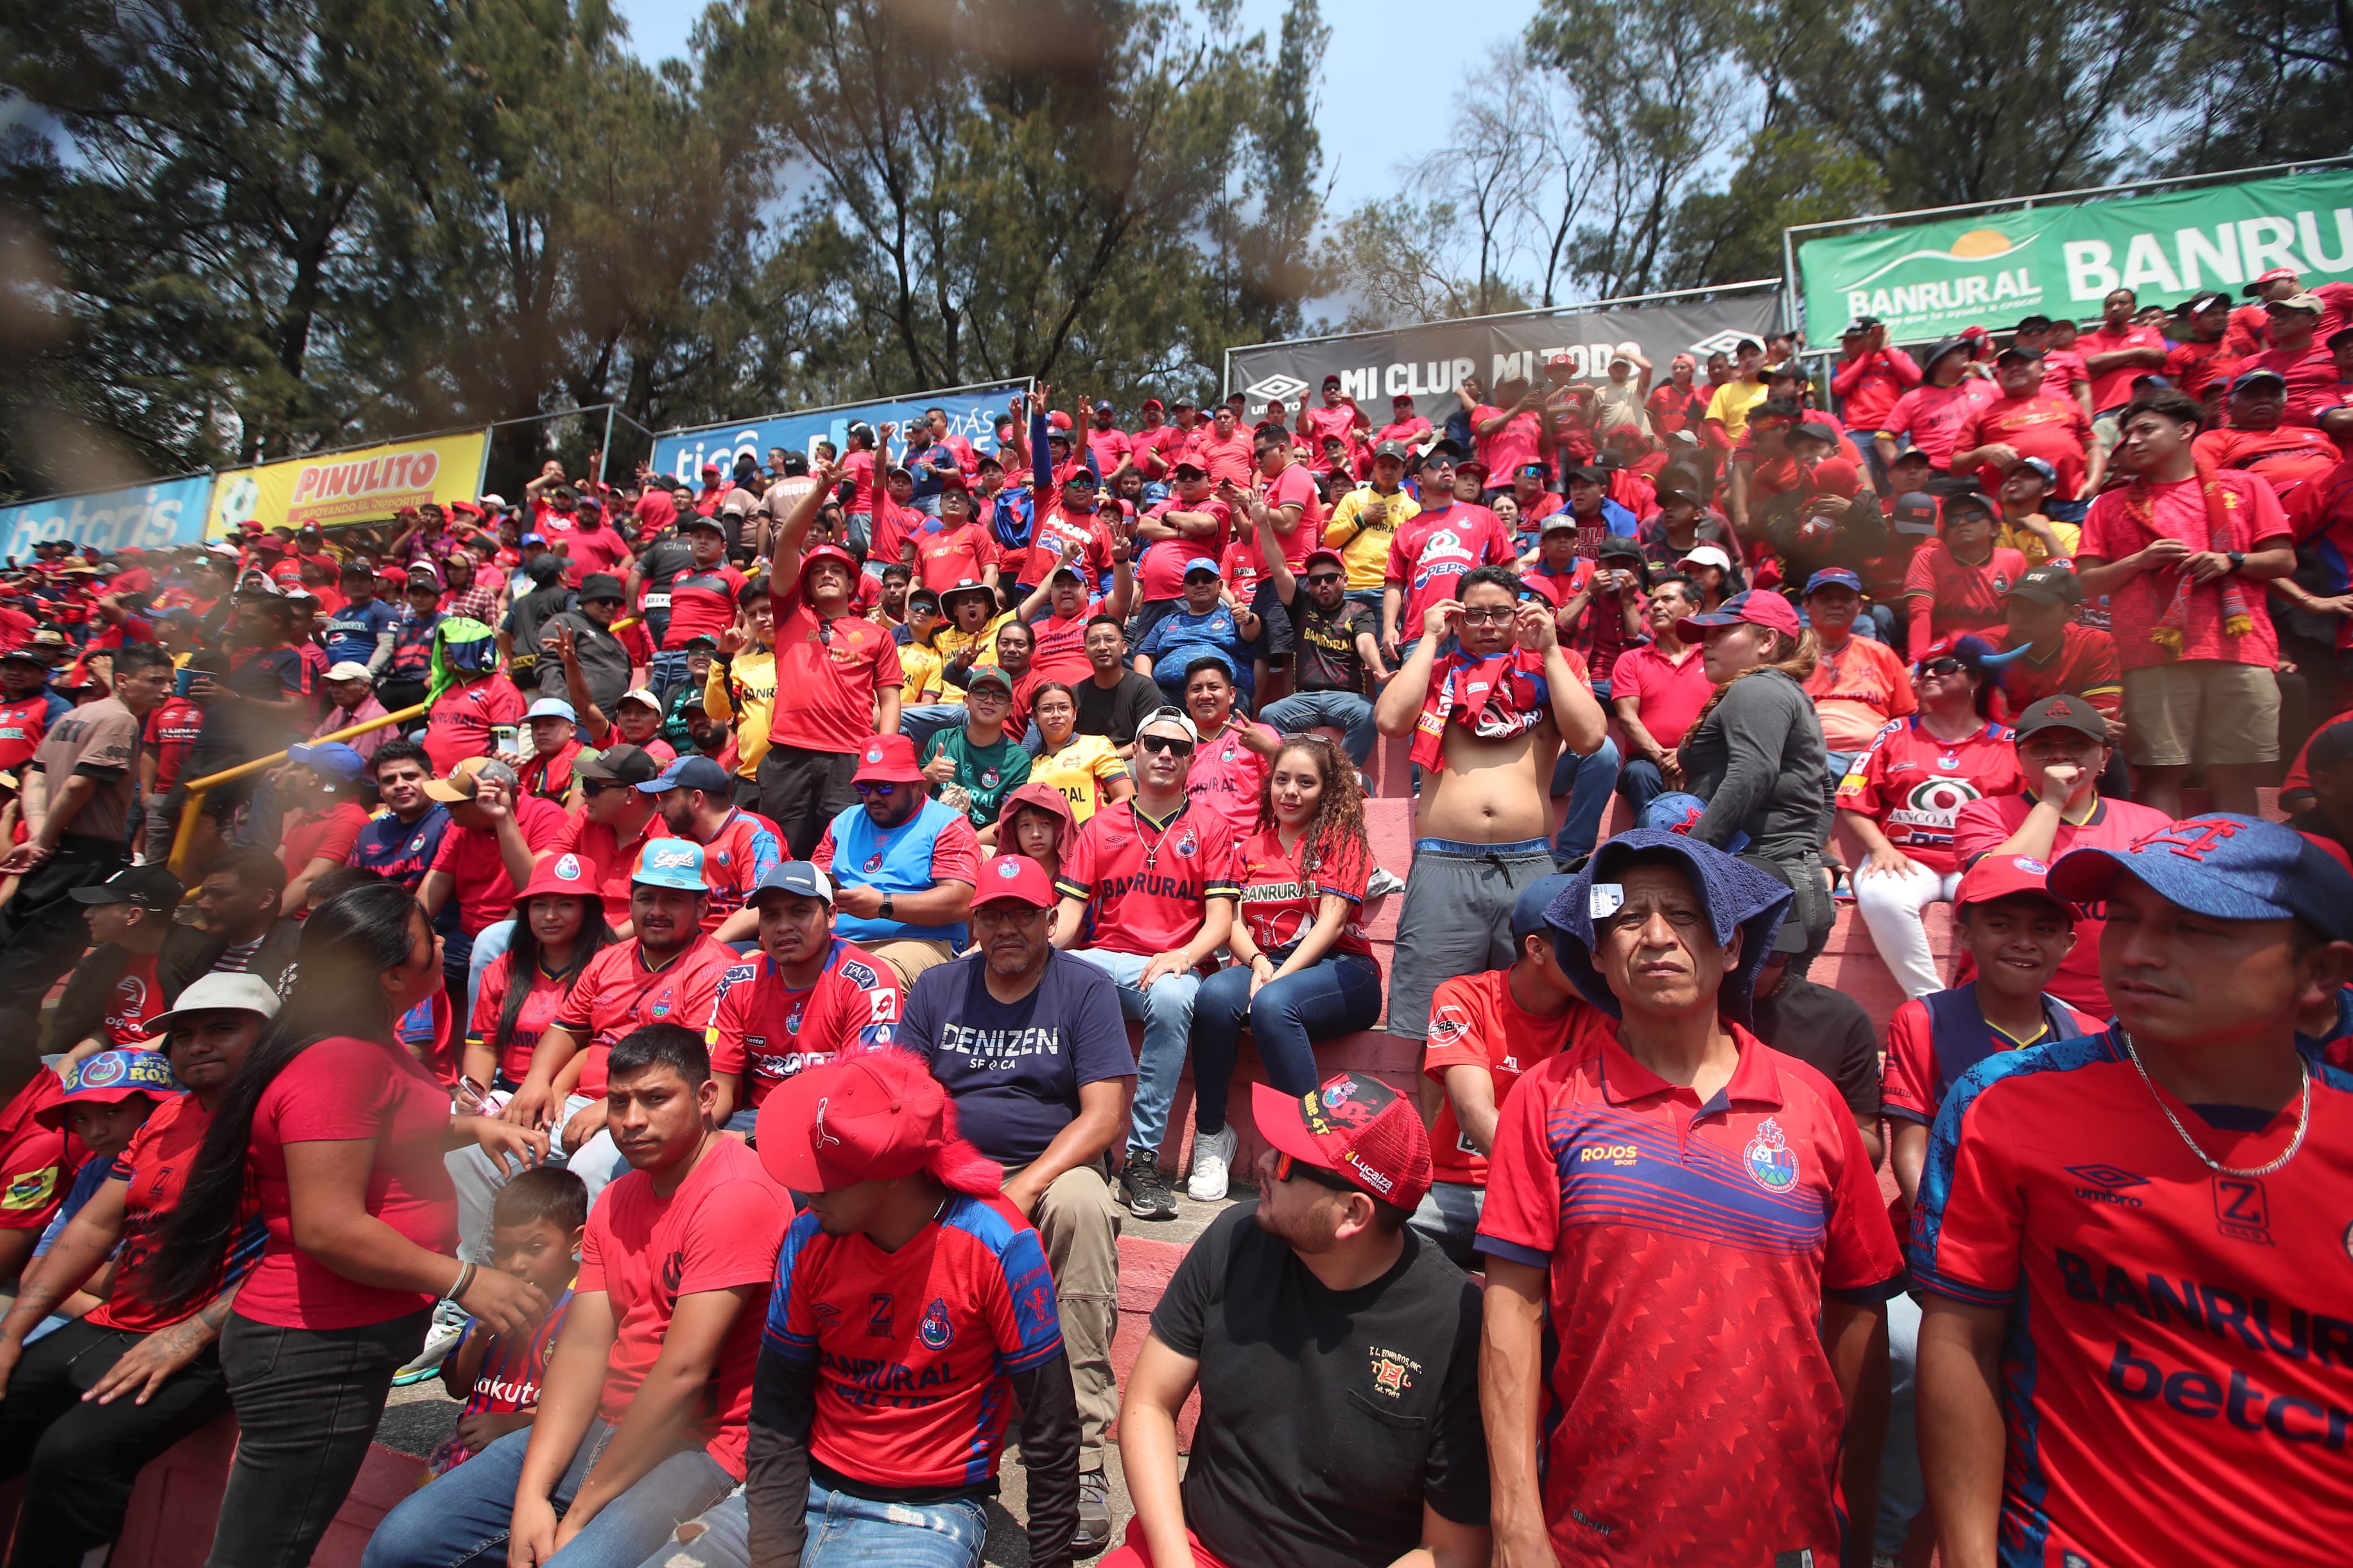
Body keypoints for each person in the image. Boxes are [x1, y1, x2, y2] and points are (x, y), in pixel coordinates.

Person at [1915, 815, 2353, 1568]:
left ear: (2319, 972)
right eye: (2122, 918)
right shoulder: (2008, 1105)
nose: (2140, 952)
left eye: (2199, 928)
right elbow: (1961, 1339)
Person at [1479, 832, 1901, 1568]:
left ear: (1733, 948)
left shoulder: (1813, 1106)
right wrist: (1516, 1521)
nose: (1657, 935)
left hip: (1784, 1532)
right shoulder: (1545, 1101)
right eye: (1629, 916)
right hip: (1597, 1534)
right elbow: (1512, 1307)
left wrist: (1856, 1516)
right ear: (1600, 955)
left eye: (1683, 913)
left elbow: (1860, 1312)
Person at [148, 882, 545, 1568]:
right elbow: (328, 1225)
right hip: (315, 1345)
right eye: (428, 935)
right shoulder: (341, 1061)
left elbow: (383, 1132)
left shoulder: (362, 1045)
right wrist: (464, 1279)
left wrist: (471, 1128)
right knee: (266, 1550)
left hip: (336, 1337)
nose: (445, 942)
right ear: (393, 973)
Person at [364, 1024, 790, 1568]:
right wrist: (531, 1498)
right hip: (602, 1422)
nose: (633, 1120)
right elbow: (585, 1347)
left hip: (701, 1446)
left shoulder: (737, 1195)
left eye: (656, 1099)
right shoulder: (613, 1198)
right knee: (400, 1543)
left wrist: (579, 1513)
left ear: (707, 1098)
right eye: (619, 1102)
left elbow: (682, 1373)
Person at [700, 1049, 1080, 1568]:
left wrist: (1051, 1559)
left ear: (895, 1172)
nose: (807, 1187)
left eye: (829, 1172)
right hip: (798, 1486)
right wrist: (773, 1553)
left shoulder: (1001, 1245)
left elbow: (1051, 1421)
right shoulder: (809, 1234)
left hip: (926, 1515)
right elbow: (776, 1410)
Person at [1111, 1069, 1489, 1568]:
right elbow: (1148, 1403)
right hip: (1197, 1548)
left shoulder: (1453, 1323)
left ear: (1354, 1214)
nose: (1263, 1163)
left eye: (1290, 1160)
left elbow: (1451, 1551)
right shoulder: (1235, 1238)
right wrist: (1174, 1559)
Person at [897, 853, 1131, 1552]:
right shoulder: (937, 987)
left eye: (1021, 915)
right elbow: (906, 1095)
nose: (1007, 929)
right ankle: (923, 1427)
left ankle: (1083, 1453)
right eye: (993, 915)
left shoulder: (1084, 989)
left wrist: (1023, 1186)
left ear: (1048, 920)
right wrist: (948, 1173)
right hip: (950, 1164)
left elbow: (1102, 1117)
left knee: (1083, 1207)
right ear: (973, 921)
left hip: (1051, 1165)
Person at [0, 974, 275, 1568]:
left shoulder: (281, 1121)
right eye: (184, 1034)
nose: (198, 1044)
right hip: (120, 1318)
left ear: (270, 1037)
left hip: (209, 1339)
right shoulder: (168, 1115)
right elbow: (94, 1228)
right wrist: (9, 1333)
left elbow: (299, 1248)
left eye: (222, 1029)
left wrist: (192, 1333)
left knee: (74, 1456)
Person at [1374, 564, 1605, 1045]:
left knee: (1536, 1024)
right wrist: (1431, 640)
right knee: (1432, 1027)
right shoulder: (1435, 673)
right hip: (1443, 864)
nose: (1486, 624)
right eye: (1473, 614)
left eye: (1500, 613)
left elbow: (1590, 738)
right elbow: (1392, 720)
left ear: (1519, 614)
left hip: (1529, 866)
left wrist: (1550, 650)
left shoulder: (1549, 671)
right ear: (1456, 618)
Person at [1052, 706, 1237, 1220]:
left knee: (1175, 996)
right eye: (1154, 743)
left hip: (1173, 965)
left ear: (1192, 758)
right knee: (1049, 978)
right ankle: (1064, 1138)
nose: (1164, 754)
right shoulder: (1100, 825)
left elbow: (1221, 921)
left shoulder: (1212, 826)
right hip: (1105, 961)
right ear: (1135, 750)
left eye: (1178, 748)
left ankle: (1139, 1159)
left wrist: (1182, 955)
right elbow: (1068, 919)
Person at [2076, 387, 2294, 817]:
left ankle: (2237, 869)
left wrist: (2230, 560)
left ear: (2187, 430)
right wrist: (2140, 561)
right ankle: (2163, 875)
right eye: (2128, 433)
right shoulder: (2110, 505)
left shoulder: (2246, 487)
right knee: (2161, 771)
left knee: (2234, 772)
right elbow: (2085, 582)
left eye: (2146, 429)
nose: (2132, 440)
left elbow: (2283, 560)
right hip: (2152, 651)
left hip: (2239, 646)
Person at [1188, 735, 1383, 1202]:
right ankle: (1212, 1136)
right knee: (1213, 996)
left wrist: (1276, 977)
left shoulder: (1342, 840)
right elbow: (1230, 918)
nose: (1290, 791)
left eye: (1306, 782)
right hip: (1269, 965)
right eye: (1282, 780)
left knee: (1274, 1004)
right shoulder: (1251, 846)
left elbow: (1332, 922)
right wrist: (1256, 961)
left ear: (1327, 790)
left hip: (1346, 972)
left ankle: (1314, 1150)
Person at [0, 645, 171, 1074]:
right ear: (123, 680)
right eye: (155, 680)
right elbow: (80, 786)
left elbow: (35, 776)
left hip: (55, 852)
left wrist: (40, 835)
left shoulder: (75, 715)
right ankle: (15, 1080)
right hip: (81, 856)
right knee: (23, 982)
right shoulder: (119, 719)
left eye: (170, 681)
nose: (166, 690)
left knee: (14, 967)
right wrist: (46, 836)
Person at [1949, 693, 2170, 1017]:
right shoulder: (1984, 814)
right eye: (2041, 747)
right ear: (2020, 760)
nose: (2060, 756)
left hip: (2123, 997)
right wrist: (2052, 802)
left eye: (2077, 745)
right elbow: (2005, 882)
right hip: (2013, 997)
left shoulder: (2152, 824)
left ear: (2105, 757)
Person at [1838, 636, 2027, 998]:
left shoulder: (2008, 743)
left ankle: (1989, 1000)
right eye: (1924, 669)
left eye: (1942, 667)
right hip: (1905, 860)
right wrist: (1880, 849)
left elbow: (2028, 810)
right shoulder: (1894, 732)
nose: (1928, 675)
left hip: (1977, 863)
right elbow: (1852, 799)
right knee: (1880, 896)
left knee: (2007, 905)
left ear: (1975, 680)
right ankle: (1930, 1002)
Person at [1406, 874, 1579, 1267]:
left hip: (1555, 1195)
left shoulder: (1601, 1012)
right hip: (1457, 1188)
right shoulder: (1463, 997)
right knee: (1376, 1235)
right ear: (1536, 949)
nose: (1602, 952)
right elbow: (1474, 1114)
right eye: (1586, 940)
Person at [1673, 589, 1838, 967]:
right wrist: (1809, 850)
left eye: (1722, 632)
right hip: (1789, 876)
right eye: (1704, 636)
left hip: (1759, 877)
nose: (1706, 644)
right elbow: (1825, 791)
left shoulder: (1758, 688)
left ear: (1767, 640)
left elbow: (1753, 772)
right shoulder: (1784, 690)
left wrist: (1689, 856)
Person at [761, 483, 910, 858]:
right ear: (806, 585)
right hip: (788, 755)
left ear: (851, 583)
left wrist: (882, 756)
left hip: (849, 758)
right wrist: (821, 492)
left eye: (836, 570)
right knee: (781, 855)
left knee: (841, 858)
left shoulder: (878, 636)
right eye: (818, 571)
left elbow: (890, 700)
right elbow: (784, 544)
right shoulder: (790, 615)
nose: (827, 575)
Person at [703, 861, 902, 1133]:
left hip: (836, 1125)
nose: (784, 927)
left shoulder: (869, 983)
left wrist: (751, 1140)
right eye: (771, 916)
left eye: (799, 912)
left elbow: (865, 1096)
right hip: (756, 1118)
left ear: (831, 916)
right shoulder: (738, 981)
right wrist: (693, 1137)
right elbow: (720, 1086)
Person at [425, 1167, 585, 1480]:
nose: (517, 1264)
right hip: (474, 1447)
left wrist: (514, 1424)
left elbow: (585, 1406)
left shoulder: (584, 1307)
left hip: (540, 1453)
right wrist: (478, 1335)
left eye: (535, 1248)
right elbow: (457, 1388)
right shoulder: (496, 1296)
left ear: (575, 1240)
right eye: (504, 1251)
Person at [809, 735, 980, 989]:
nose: (874, 796)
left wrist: (883, 905)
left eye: (885, 786)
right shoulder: (844, 822)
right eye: (865, 787)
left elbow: (962, 901)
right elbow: (815, 883)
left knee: (867, 983)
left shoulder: (947, 824)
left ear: (914, 783)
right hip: (836, 941)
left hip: (920, 942)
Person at [420, 757, 567, 1010]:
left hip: (520, 934)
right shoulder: (462, 825)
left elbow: (535, 891)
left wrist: (487, 944)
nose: (446, 807)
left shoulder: (545, 816)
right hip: (465, 933)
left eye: (455, 803)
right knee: (409, 961)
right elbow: (436, 882)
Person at [48, 865, 216, 1062]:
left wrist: (123, 1058)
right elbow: (109, 1028)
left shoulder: (198, 956)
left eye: (101, 906)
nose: (87, 914)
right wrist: (72, 1059)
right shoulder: (102, 960)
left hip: (168, 1060)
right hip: (113, 1055)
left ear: (133, 916)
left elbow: (196, 1028)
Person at [1259, 546, 1387, 770]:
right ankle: (1292, 770)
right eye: (1316, 580)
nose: (1323, 585)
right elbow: (1279, 570)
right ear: (1309, 585)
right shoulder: (1302, 606)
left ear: (1345, 580)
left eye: (1330, 578)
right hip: (1305, 698)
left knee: (1368, 715)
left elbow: (1365, 642)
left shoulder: (1359, 611)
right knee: (1269, 714)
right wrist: (1262, 524)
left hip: (1347, 698)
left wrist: (1379, 669)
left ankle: (1341, 775)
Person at [638, 754, 783, 941]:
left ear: (696, 799)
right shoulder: (679, 839)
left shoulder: (753, 833)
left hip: (740, 943)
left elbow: (759, 908)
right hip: (688, 940)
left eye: (667, 798)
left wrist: (704, 951)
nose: (659, 809)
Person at [1605, 575, 1710, 822]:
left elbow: (1724, 717)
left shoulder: (1712, 656)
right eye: (1653, 603)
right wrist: (1664, 759)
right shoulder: (1632, 660)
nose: (1657, 607)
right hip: (1647, 760)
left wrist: (1686, 756)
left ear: (1693, 608)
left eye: (1667, 599)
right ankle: (1651, 847)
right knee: (1641, 774)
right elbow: (1628, 720)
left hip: (1703, 757)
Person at [547, 744, 673, 932]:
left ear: (630, 794)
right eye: (585, 782)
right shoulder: (586, 817)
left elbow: (664, 911)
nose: (583, 793)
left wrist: (602, 948)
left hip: (640, 946)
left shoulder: (673, 834)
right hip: (582, 935)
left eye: (593, 787)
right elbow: (535, 874)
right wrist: (505, 818)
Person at [1906, 492, 2028, 649]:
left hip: (1996, 653)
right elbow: (1919, 614)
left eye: (1973, 516)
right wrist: (1918, 661)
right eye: (1954, 519)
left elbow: (2021, 619)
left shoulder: (2013, 560)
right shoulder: (1929, 557)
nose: (1962, 522)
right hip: (1941, 653)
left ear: (1995, 529)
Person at [921, 663, 1031, 829]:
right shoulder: (942, 739)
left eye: (999, 696)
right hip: (931, 830)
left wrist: (964, 841)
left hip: (979, 841)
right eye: (981, 693)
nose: (989, 700)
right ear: (966, 701)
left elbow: (1003, 824)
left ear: (1009, 710)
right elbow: (915, 800)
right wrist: (928, 775)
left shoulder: (1018, 760)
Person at [1023, 680, 1131, 824]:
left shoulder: (1096, 745)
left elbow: (1127, 796)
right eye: (1047, 709)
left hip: (1092, 839)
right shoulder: (1034, 763)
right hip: (1048, 843)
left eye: (1063, 707)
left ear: (1074, 713)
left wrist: (1090, 829)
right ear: (1035, 717)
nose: (1056, 714)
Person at [189, 850, 302, 985]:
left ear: (265, 899)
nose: (203, 905)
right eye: (204, 894)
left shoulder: (301, 952)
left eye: (219, 894)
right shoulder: (198, 952)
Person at [1073, 614, 1163, 746]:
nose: (1102, 647)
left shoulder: (1144, 688)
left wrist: (1107, 760)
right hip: (1085, 760)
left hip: (1130, 759)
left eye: (1110, 640)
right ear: (1085, 651)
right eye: (1094, 641)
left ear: (1125, 647)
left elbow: (1148, 738)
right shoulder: (1075, 694)